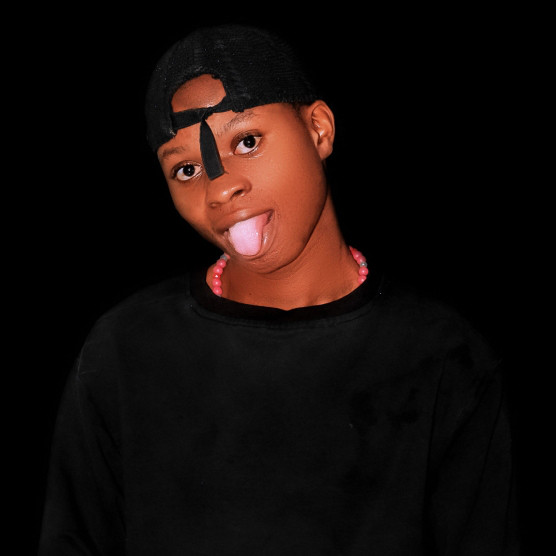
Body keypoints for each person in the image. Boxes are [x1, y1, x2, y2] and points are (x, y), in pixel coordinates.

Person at [39, 24, 519, 555]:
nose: (220, 187)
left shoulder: (442, 356)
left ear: (318, 129)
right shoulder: (125, 350)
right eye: (186, 168)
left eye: (247, 141)